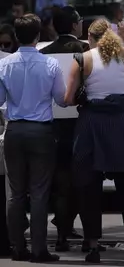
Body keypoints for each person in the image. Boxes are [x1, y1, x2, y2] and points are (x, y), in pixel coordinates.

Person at [64, 19, 124, 264]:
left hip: (92, 124)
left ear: (89, 36)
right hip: (122, 124)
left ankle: (93, 246)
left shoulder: (82, 59)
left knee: (89, 189)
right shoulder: (122, 53)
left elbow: (69, 98)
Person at [0, 14, 66, 262]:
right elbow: (61, 99)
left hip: (15, 130)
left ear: (16, 36)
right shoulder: (50, 65)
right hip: (41, 131)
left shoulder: (4, 65)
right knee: (39, 192)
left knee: (15, 193)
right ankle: (39, 249)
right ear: (39, 36)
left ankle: (17, 247)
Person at [40, 6, 89, 252]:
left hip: (52, 124)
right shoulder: (86, 52)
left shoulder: (44, 52)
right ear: (73, 26)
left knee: (60, 183)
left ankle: (61, 233)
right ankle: (78, 232)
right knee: (82, 182)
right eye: (79, 21)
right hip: (81, 124)